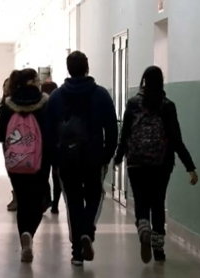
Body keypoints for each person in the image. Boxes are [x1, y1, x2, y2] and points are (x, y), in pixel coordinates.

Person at [114, 66, 198, 263]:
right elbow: (176, 139)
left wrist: (118, 157)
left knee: (141, 200)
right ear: (161, 82)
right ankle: (158, 250)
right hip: (161, 164)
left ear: (143, 81)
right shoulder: (167, 106)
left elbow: (125, 134)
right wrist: (190, 167)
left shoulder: (133, 104)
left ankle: (144, 227)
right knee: (158, 202)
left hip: (136, 162)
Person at [46, 51, 118, 265]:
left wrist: (55, 159)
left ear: (68, 69)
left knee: (74, 202)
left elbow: (48, 132)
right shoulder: (101, 95)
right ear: (87, 68)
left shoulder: (57, 97)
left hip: (67, 159)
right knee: (95, 196)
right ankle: (88, 231)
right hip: (94, 157)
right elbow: (112, 129)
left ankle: (77, 253)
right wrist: (107, 154)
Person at [0, 68, 49, 263]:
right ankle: (29, 233)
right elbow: (50, 132)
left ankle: (24, 238)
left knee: (23, 200)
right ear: (33, 81)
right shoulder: (44, 103)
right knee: (36, 202)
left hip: (15, 162)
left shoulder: (9, 105)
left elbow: (1, 135)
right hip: (40, 161)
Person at [41, 80, 61, 214]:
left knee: (43, 174)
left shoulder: (40, 104)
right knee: (56, 174)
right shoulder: (60, 102)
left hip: (43, 143)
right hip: (58, 143)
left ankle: (47, 198)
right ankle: (56, 204)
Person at [0, 78, 18, 212]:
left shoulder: (12, 104)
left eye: (8, 86)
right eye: (4, 86)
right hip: (7, 142)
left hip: (16, 140)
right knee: (11, 169)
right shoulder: (3, 104)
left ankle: (18, 197)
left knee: (17, 169)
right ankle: (16, 196)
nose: (5, 89)